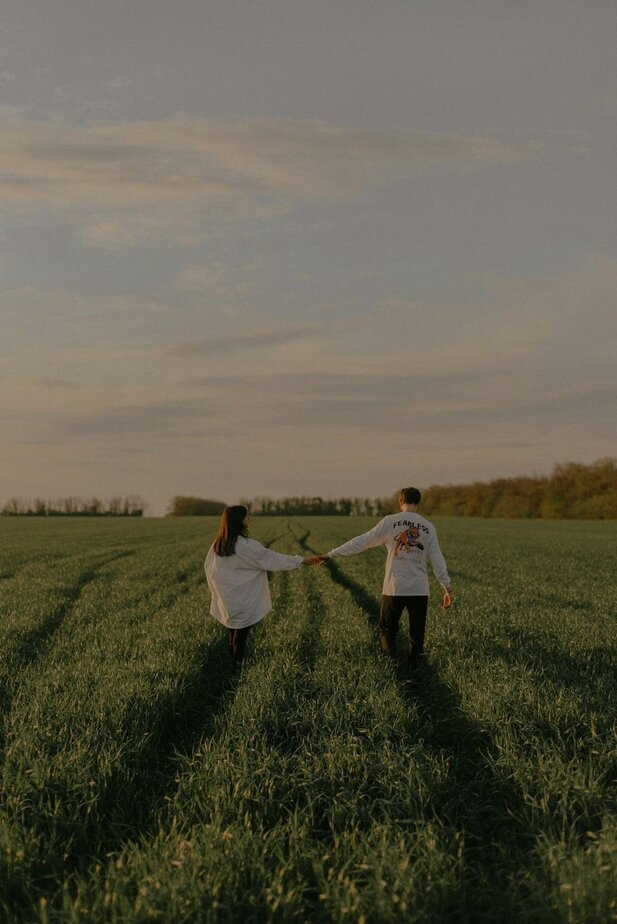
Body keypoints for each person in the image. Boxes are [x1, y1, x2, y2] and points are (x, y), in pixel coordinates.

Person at [319, 487, 452, 669]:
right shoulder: (428, 527)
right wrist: (446, 586)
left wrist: (331, 554)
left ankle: (391, 667)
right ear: (418, 503)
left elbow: (363, 540)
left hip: (394, 587)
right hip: (419, 589)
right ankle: (416, 671)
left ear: (400, 501)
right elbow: (437, 558)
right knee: (417, 633)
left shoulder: (390, 521)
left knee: (387, 630)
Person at [205, 505, 321, 671]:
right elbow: (272, 558)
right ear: (239, 520)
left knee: (233, 634)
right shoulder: (246, 545)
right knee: (240, 637)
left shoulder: (218, 544)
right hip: (243, 598)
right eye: (246, 516)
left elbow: (210, 569)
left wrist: (218, 590)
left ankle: (232, 664)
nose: (249, 518)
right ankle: (236, 669)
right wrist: (302, 560)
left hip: (227, 597)